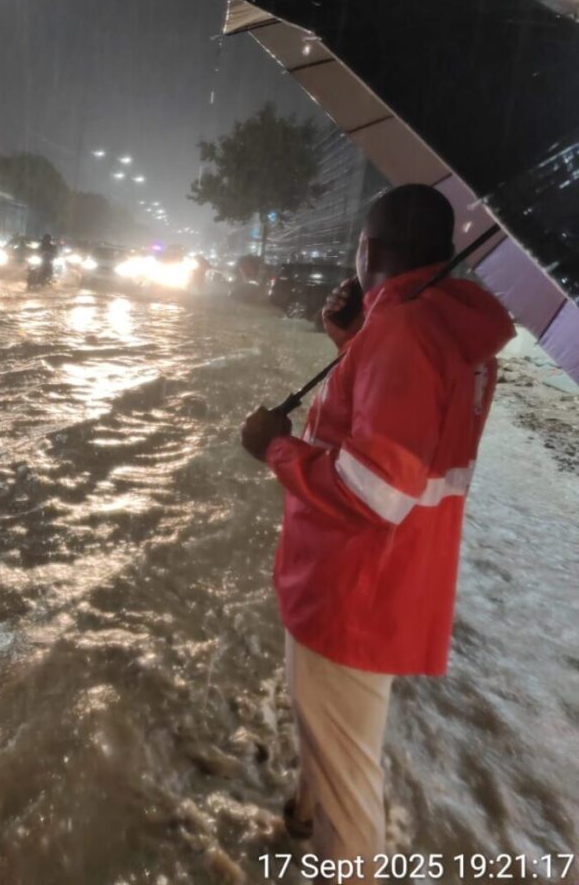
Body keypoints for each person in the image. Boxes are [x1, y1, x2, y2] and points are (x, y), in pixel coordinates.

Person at [240, 185, 514, 878]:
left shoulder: (405, 332)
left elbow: (376, 487)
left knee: (349, 789)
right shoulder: (446, 332)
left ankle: (332, 846)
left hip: (349, 589)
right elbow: (406, 441)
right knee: (334, 746)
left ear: (370, 250)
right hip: (392, 583)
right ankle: (302, 815)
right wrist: (353, 344)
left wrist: (273, 447)